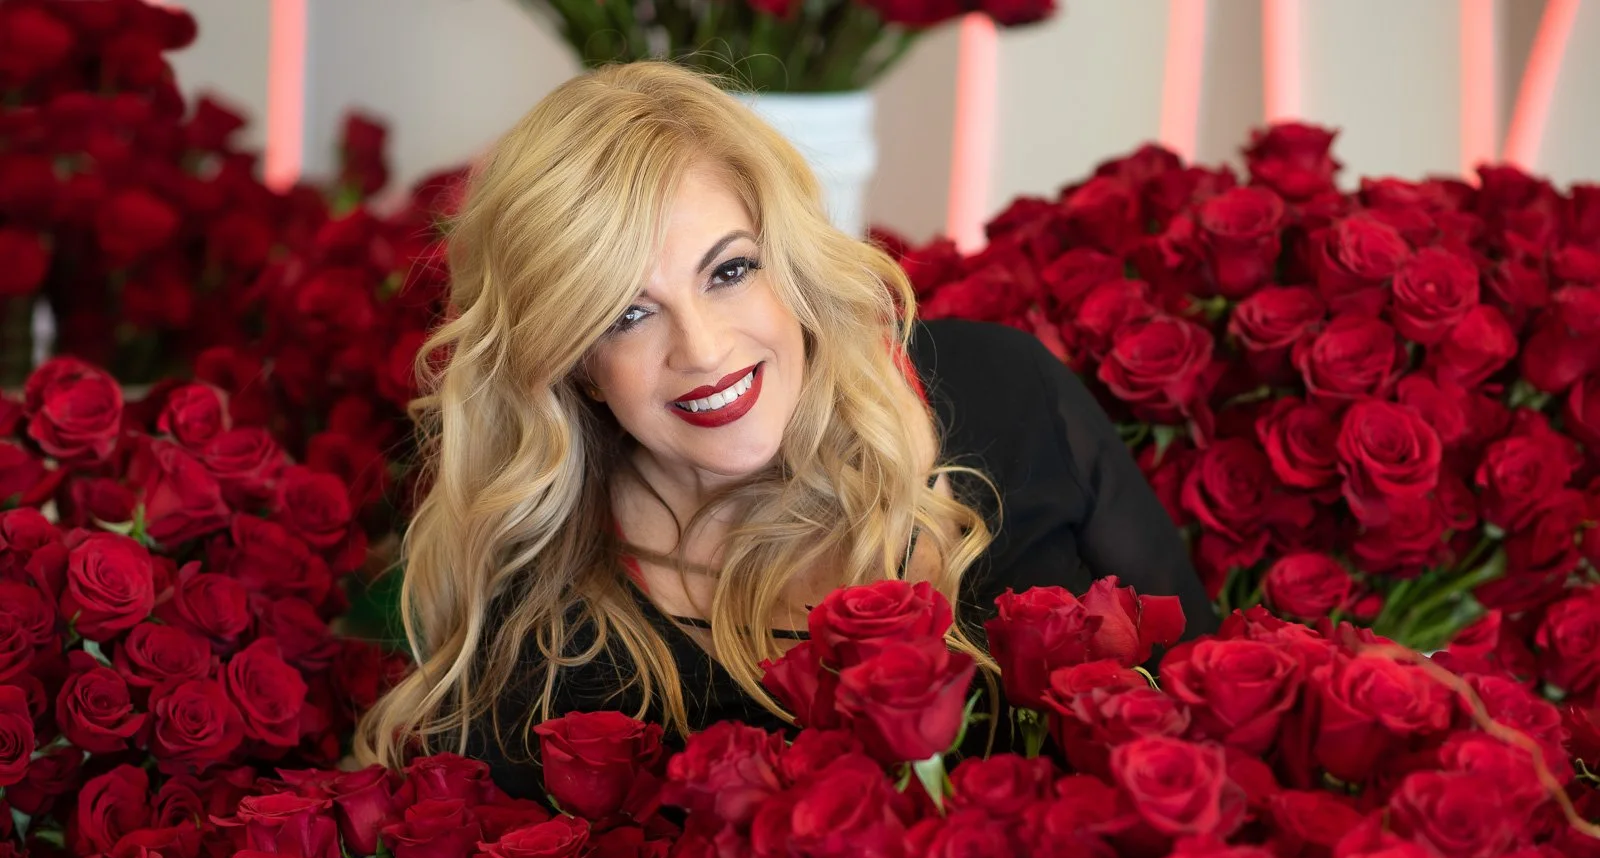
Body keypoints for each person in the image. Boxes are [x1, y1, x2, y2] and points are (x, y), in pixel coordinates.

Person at [354, 60, 1218, 796]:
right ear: (569, 359)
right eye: (625, 316)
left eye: (729, 271)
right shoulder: (545, 643)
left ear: (790, 262)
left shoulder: (1005, 391)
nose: (703, 349)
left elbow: (1207, 696)